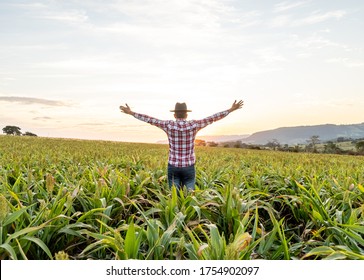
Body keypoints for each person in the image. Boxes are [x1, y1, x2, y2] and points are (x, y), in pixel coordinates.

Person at [120, 100, 244, 190]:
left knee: (174, 195)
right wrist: (230, 110)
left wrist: (131, 112)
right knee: (189, 195)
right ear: (186, 114)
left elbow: (149, 119)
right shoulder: (194, 125)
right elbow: (212, 118)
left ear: (175, 115)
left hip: (173, 165)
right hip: (189, 166)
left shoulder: (168, 125)